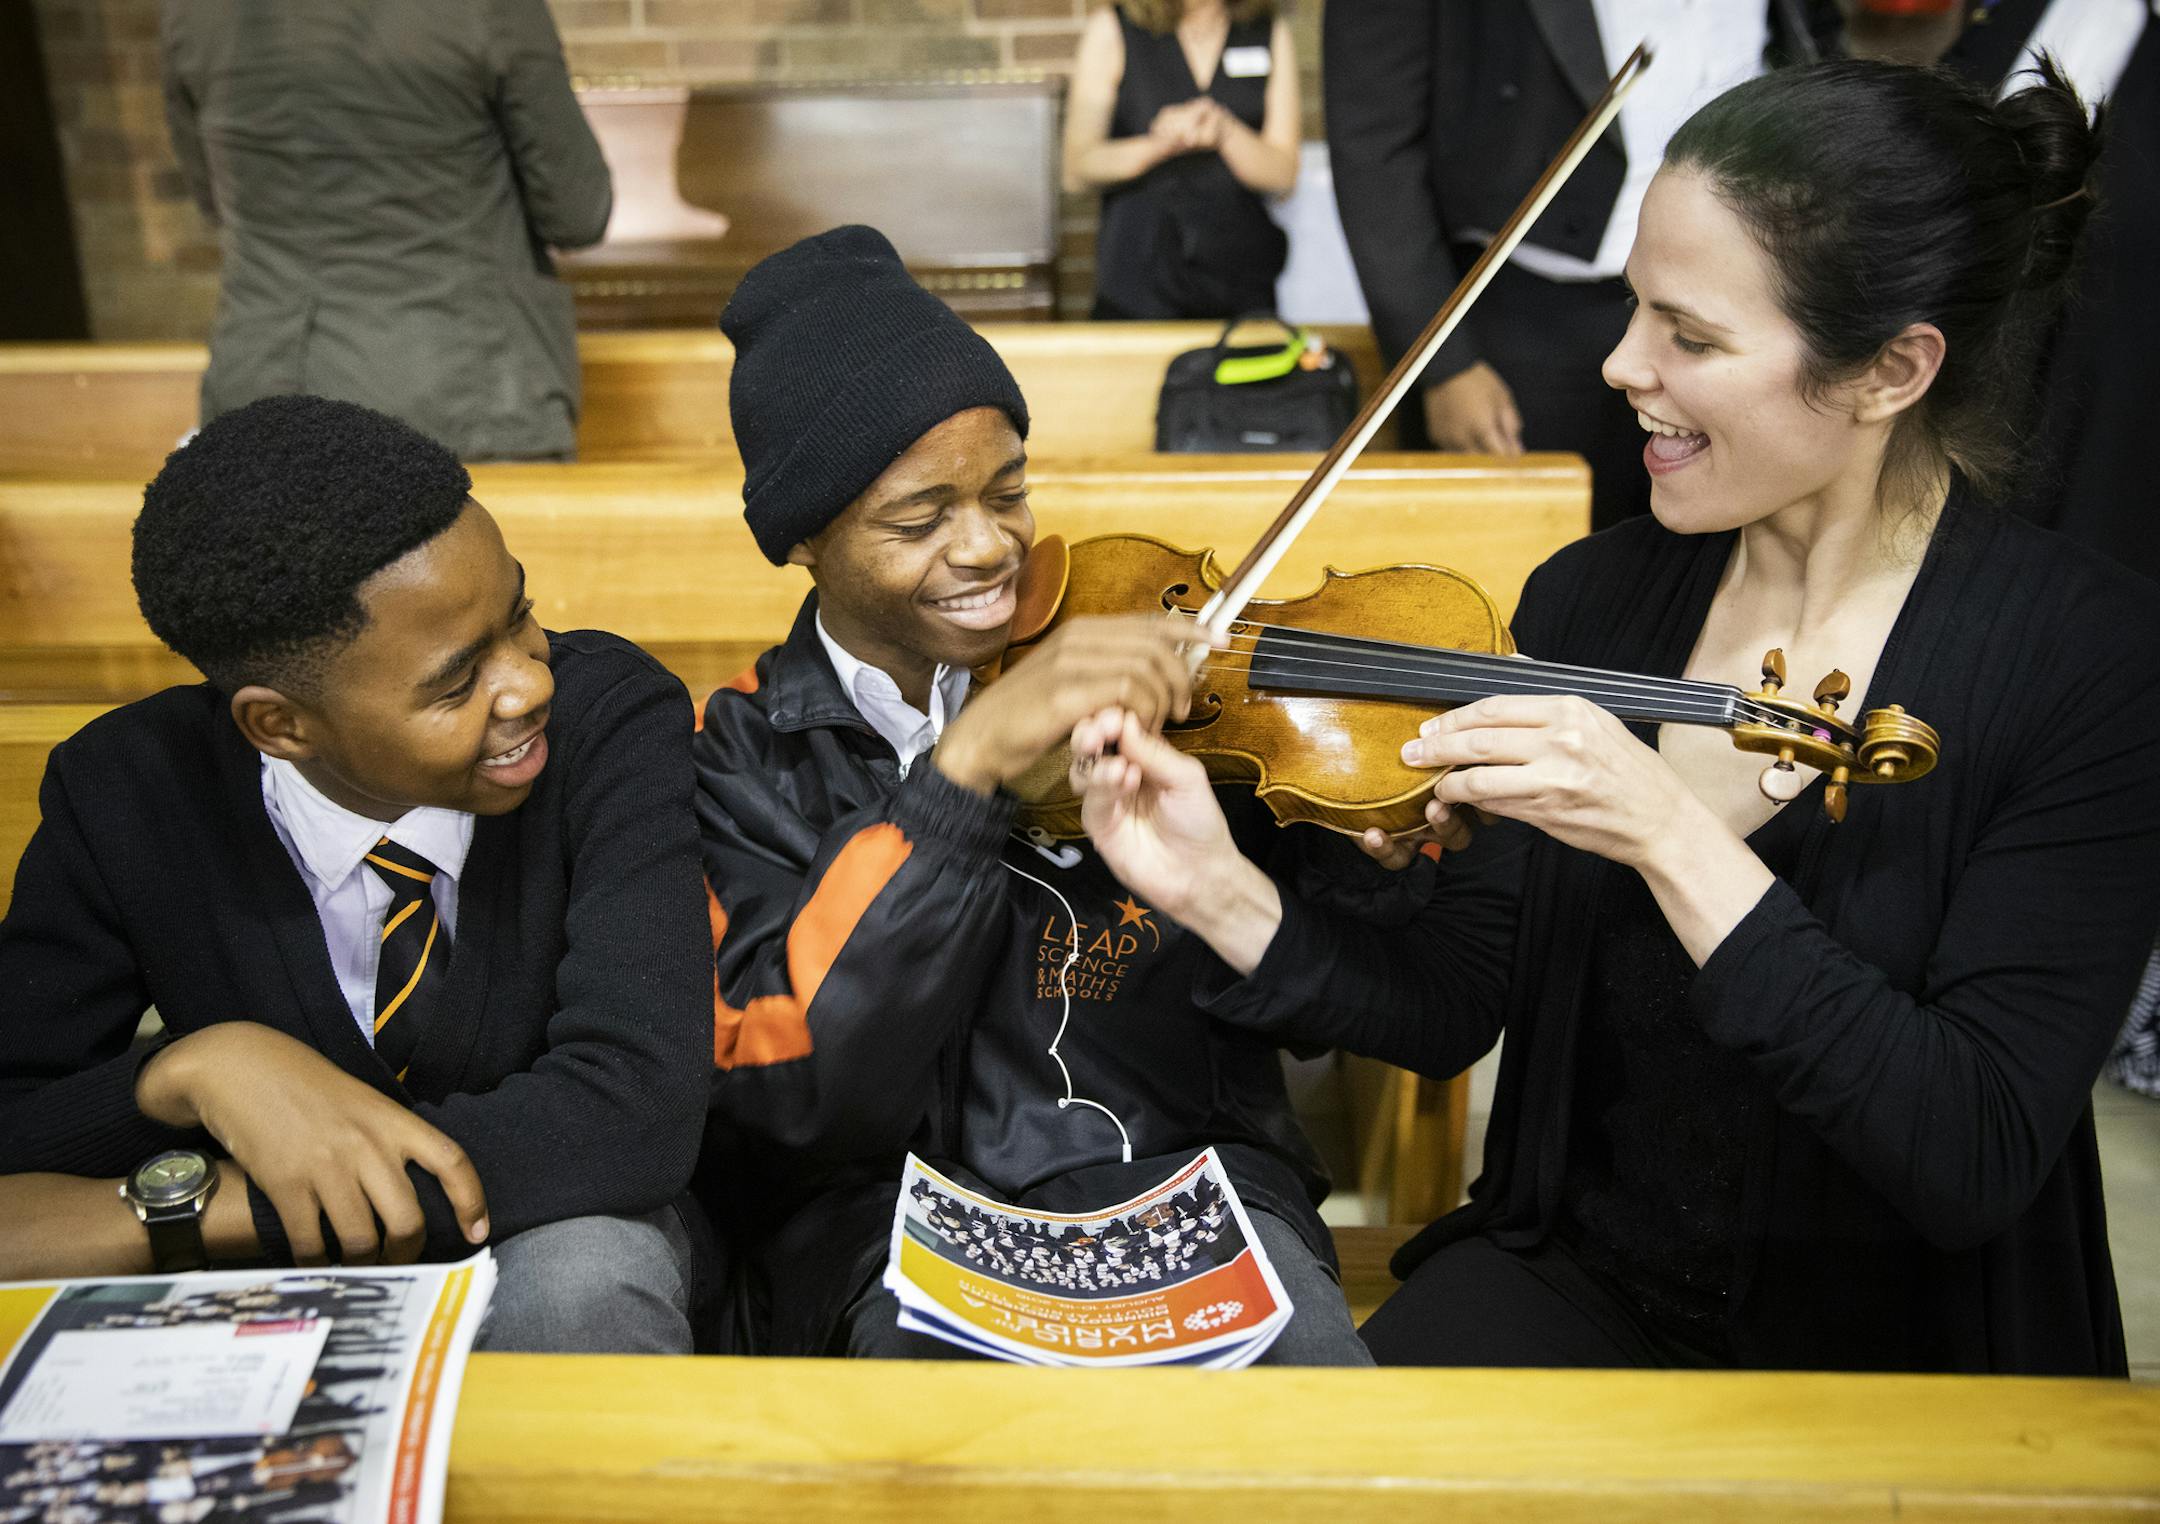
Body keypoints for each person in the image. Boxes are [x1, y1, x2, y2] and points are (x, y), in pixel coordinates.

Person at [1063, 58, 2160, 1373]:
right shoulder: (1592, 601)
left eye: (1690, 336)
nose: (1622, 363)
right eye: (1636, 306)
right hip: (1589, 1281)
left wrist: (1666, 835)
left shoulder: (2087, 661)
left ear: (1889, 370)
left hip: (1909, 1353)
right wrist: (1216, 887)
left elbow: (1968, 1153)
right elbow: (1455, 1004)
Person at [691, 224, 1406, 1364]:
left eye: (1008, 491)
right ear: (804, 541)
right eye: (920, 519)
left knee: (1321, 1445)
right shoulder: (734, 750)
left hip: (1187, 1184)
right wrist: (965, 771)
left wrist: (1384, 852)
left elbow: (1357, 993)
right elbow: (801, 1093)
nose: (986, 548)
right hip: (883, 1229)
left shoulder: (1135, 663)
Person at [0, 396, 712, 1354]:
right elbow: (18, 1127)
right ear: (280, 725)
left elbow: (634, 1111)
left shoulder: (605, 721)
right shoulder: (125, 791)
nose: (529, 682)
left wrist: (216, 1210)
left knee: (586, 1277)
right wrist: (195, 1070)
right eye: (457, 684)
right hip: (268, 1300)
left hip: (551, 1217)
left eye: (522, 615)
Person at [1325, 0, 1837, 530]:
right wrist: (1441, 364)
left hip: (1753, 304)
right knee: (1535, 564)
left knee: (1712, 563)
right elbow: (1374, 144)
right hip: (1529, 320)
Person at [160, 0, 612, 460]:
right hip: (464, 391)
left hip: (263, 388)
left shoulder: (194, 11)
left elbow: (214, 202)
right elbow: (578, 214)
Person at [1063, 0, 1301, 319]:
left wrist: (1224, 131)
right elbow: (1077, 169)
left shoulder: (1268, 31)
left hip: (1241, 286)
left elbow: (1284, 175)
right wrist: (1160, 144)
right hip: (1137, 284)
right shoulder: (1112, 29)